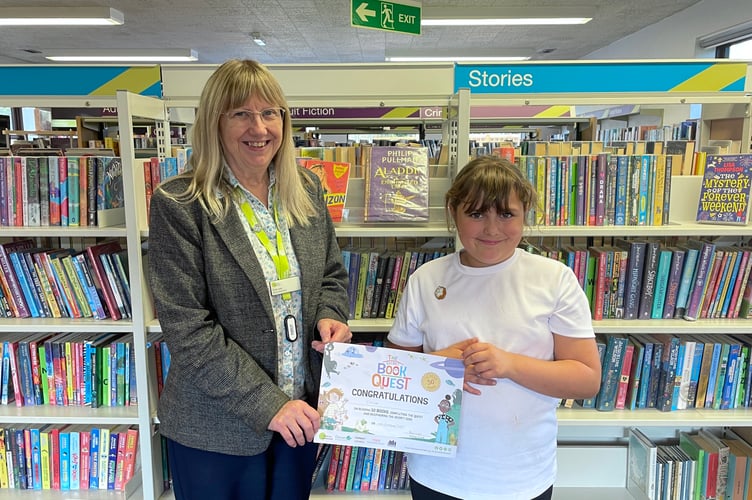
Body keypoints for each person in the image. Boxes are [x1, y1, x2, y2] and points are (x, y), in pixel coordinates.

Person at [148, 59, 352, 500]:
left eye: (270, 112)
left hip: (299, 415)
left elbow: (332, 274)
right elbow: (188, 330)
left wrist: (329, 316)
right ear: (214, 123)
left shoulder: (307, 191)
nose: (259, 127)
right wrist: (269, 405)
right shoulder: (180, 203)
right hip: (215, 430)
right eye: (241, 113)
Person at [386, 156, 602, 500]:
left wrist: (509, 365)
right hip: (436, 472)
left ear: (524, 213)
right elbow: (394, 376)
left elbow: (586, 379)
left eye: (506, 214)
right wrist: (444, 364)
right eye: (475, 214)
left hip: (522, 475)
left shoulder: (554, 278)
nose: (491, 229)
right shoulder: (426, 279)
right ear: (453, 212)